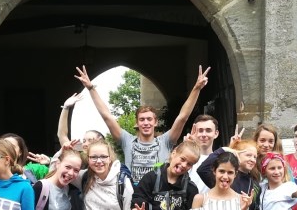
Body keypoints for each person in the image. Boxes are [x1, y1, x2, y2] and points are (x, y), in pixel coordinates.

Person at [75, 64, 210, 184]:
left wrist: (196, 88)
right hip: (133, 196)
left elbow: (182, 117)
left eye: (149, 119)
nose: (146, 123)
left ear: (155, 122)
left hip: (158, 195)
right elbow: (107, 116)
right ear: (137, 123)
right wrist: (91, 88)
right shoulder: (127, 140)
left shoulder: (166, 141)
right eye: (142, 119)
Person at [189, 114, 219, 194]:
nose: (204, 135)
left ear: (216, 134)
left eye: (208, 130)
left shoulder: (220, 159)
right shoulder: (186, 159)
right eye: (200, 130)